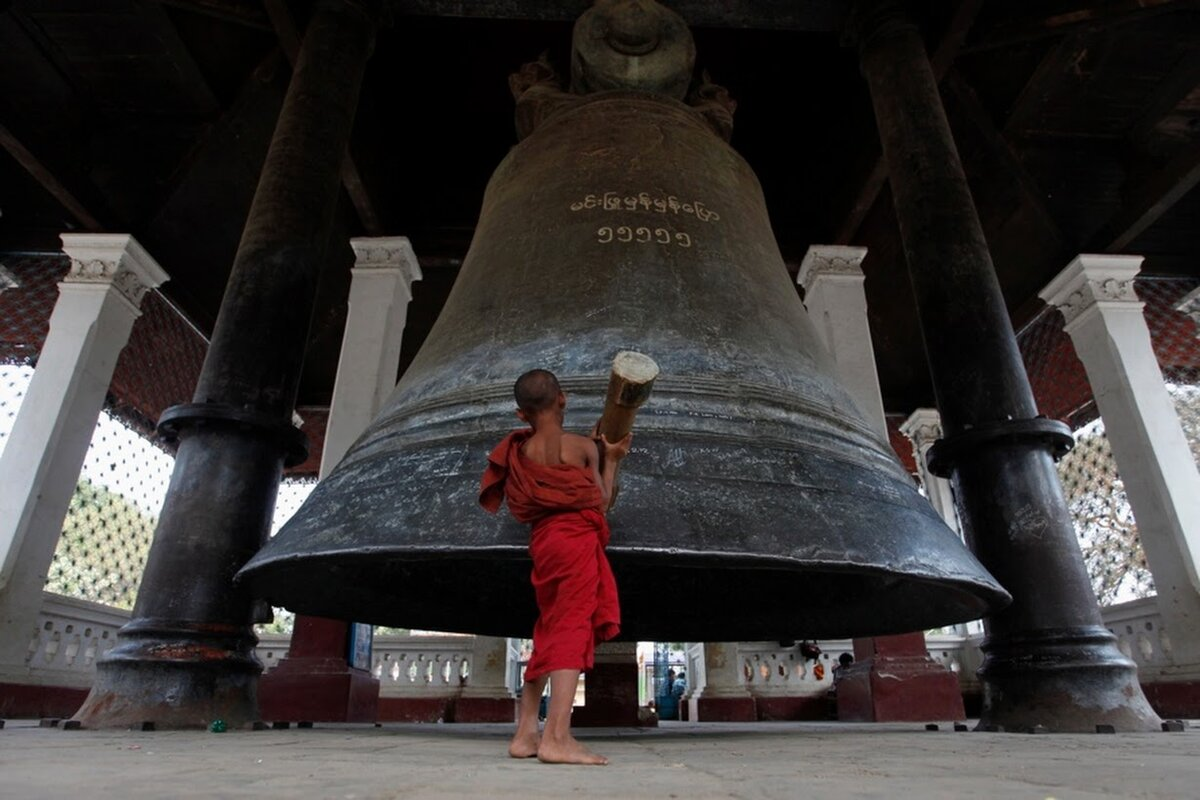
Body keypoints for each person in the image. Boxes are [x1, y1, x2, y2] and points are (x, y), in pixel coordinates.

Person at [479, 368, 632, 765]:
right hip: (576, 543)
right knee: (571, 626)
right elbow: (600, 502)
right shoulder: (582, 447)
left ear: (521, 415)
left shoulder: (521, 454)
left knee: (549, 627)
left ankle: (526, 734)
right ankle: (557, 738)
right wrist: (611, 459)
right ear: (562, 399)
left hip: (545, 545)